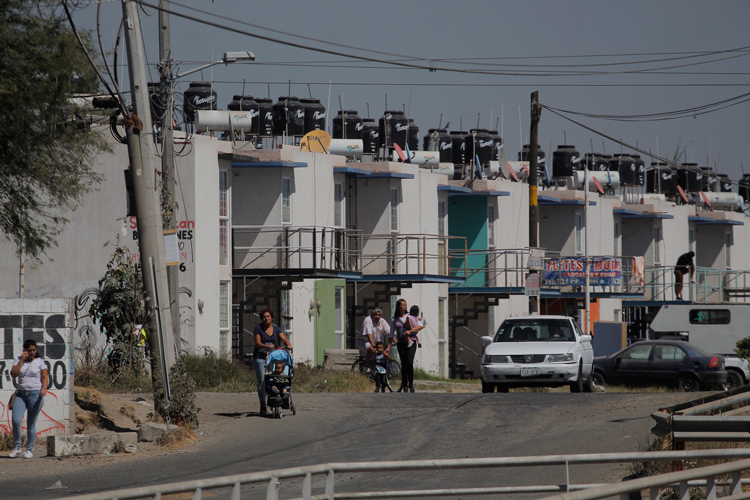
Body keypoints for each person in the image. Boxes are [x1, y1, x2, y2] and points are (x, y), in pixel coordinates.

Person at [9, 339, 48, 459]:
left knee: (31, 423)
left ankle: (29, 449)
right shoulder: (19, 360)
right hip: (21, 394)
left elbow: (44, 376)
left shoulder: (40, 362)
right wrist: (21, 360)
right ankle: (17, 447)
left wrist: (44, 388)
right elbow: (14, 374)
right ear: (25, 350)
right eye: (29, 350)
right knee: (16, 420)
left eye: (34, 350)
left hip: (35, 394)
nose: (32, 352)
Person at [252, 308, 292, 416]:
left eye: (268, 316)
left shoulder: (276, 328)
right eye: (264, 317)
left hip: (272, 358)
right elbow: (258, 343)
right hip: (260, 357)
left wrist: (288, 344)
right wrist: (267, 346)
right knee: (262, 381)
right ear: (262, 318)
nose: (266, 318)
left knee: (274, 378)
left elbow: (283, 338)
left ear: (272, 318)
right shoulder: (258, 328)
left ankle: (275, 399)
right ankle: (262, 404)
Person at [393, 300, 424, 393]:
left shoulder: (410, 316)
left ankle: (411, 384)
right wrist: (388, 346)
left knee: (409, 362)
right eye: (402, 305)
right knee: (403, 364)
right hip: (401, 342)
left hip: (412, 341)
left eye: (405, 305)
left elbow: (421, 325)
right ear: (398, 306)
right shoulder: (394, 319)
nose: (404, 307)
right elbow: (391, 334)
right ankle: (404, 385)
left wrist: (410, 331)